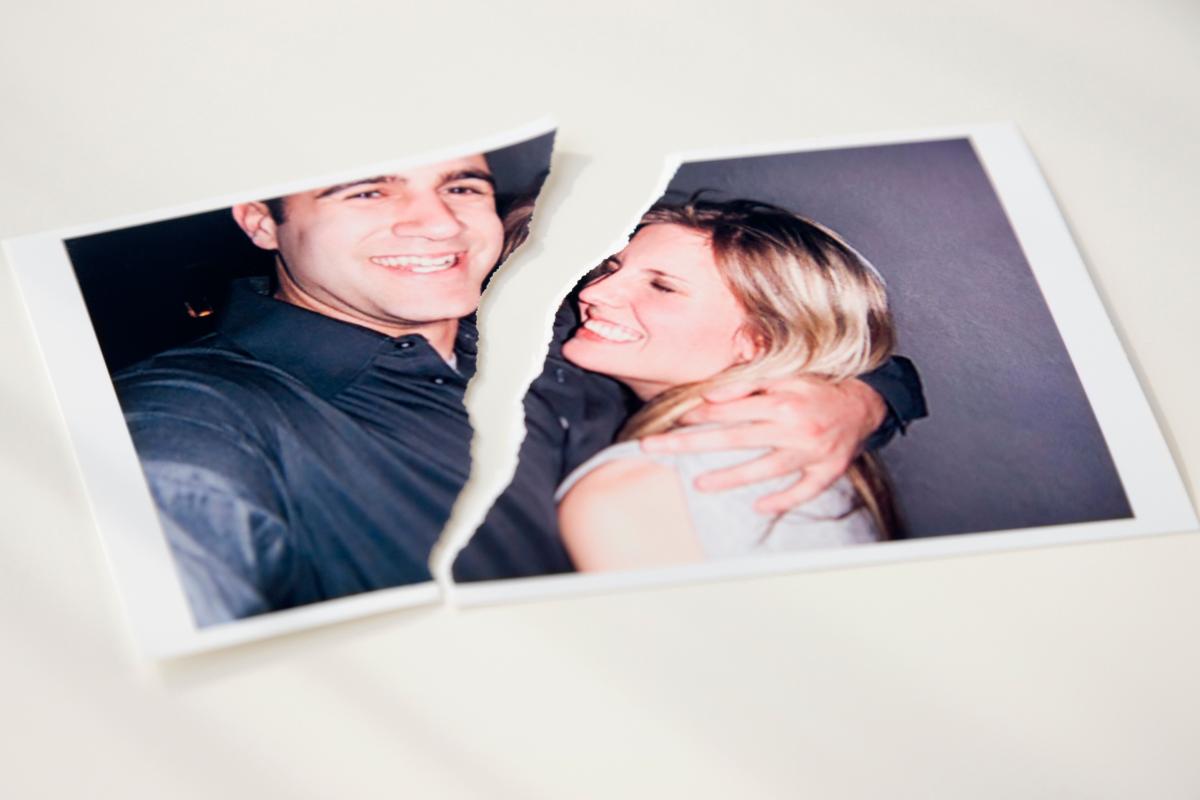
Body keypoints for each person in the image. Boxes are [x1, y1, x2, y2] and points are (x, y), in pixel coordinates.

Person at [114, 151, 925, 626]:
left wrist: (855, 394)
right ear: (262, 220)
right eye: (367, 188)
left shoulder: (552, 329)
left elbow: (772, 329)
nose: (438, 223)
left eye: (460, 186)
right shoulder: (198, 416)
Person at [557, 199, 904, 571]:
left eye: (662, 287)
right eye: (612, 267)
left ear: (760, 341)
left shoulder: (638, 490)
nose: (593, 292)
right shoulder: (799, 453)